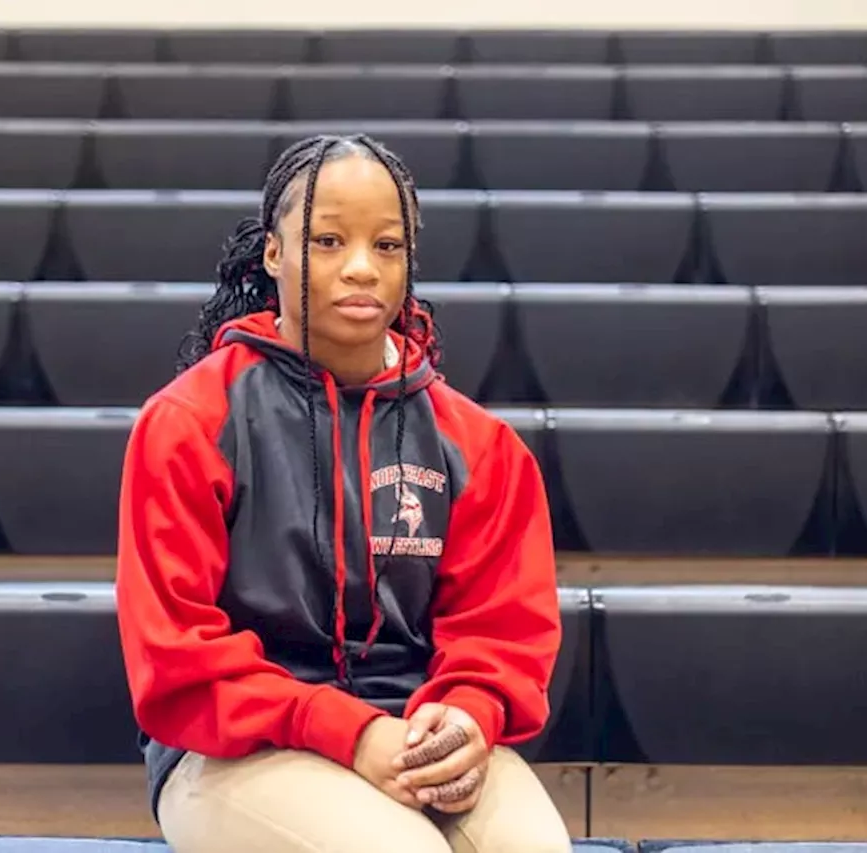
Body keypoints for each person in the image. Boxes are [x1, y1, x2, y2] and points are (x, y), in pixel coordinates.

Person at [115, 134, 569, 853]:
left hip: (415, 723)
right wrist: (349, 732)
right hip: (233, 746)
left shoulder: (480, 445)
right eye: (327, 240)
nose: (361, 268)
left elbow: (500, 631)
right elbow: (178, 660)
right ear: (273, 254)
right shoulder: (190, 423)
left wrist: (466, 717)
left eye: (387, 246)